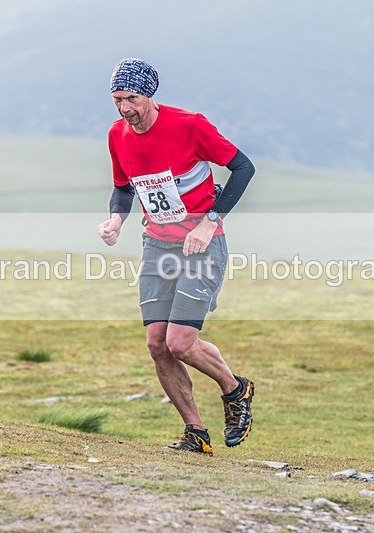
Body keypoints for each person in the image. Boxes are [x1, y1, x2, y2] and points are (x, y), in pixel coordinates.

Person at [98, 58, 256, 454]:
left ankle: (235, 390)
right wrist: (116, 219)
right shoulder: (117, 134)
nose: (124, 108)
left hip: (201, 245)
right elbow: (124, 186)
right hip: (157, 245)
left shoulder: (189, 126)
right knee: (157, 344)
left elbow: (244, 168)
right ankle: (196, 433)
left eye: (131, 99)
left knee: (181, 343)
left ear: (149, 95)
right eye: (117, 100)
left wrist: (209, 222)